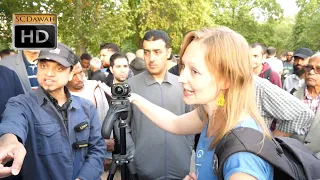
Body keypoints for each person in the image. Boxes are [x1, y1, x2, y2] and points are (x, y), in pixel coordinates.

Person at [128, 27, 273, 179]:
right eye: (183, 67)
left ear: (226, 80)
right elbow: (174, 122)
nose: (181, 78)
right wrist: (134, 98)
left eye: (194, 71)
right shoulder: (211, 115)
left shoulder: (243, 157)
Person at [0, 43, 106, 180]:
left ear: (70, 74)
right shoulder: (20, 104)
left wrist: (83, 178)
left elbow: (97, 149)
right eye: (43, 66)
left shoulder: (87, 108)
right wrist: (9, 141)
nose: (49, 73)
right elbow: (12, 124)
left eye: (59, 68)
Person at [127, 30, 194, 180]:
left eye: (157, 52)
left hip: (181, 168)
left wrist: (186, 148)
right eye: (146, 52)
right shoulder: (130, 86)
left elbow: (192, 122)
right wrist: (134, 153)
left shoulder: (183, 85)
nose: (151, 58)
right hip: (144, 169)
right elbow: (122, 125)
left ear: (168, 52)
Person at [291, 52, 320, 158]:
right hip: (291, 158)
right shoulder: (292, 94)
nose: (311, 72)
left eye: (318, 69)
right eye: (309, 67)